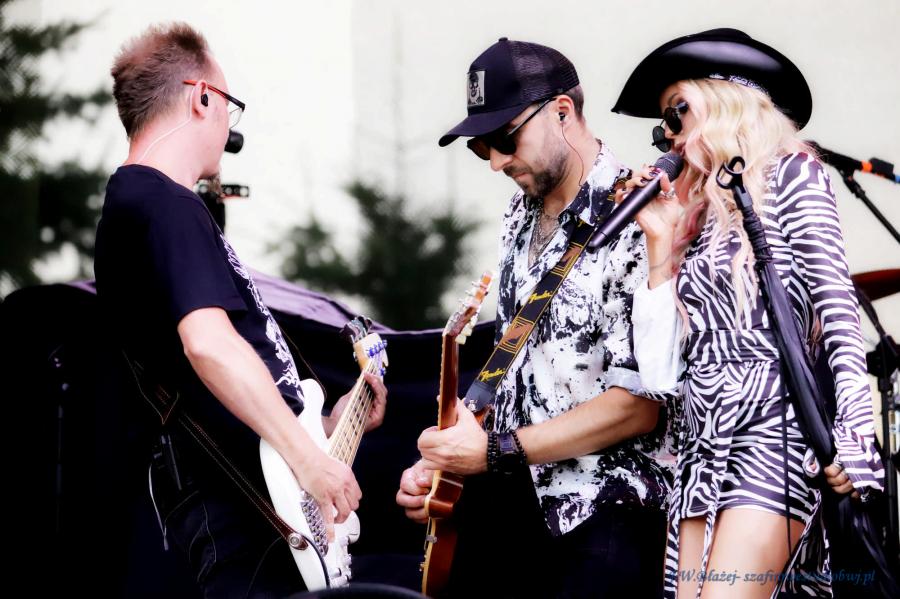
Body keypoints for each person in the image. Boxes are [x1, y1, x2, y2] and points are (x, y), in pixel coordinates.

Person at [94, 23, 386, 597]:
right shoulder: (164, 202)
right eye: (229, 107)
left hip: (247, 494)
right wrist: (309, 461)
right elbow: (209, 344)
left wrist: (326, 430)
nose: (229, 127)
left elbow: (206, 374)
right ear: (202, 97)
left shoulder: (139, 205)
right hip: (239, 506)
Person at [395, 38, 673, 598]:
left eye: (504, 139)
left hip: (604, 515)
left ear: (562, 112)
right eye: (481, 148)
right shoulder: (519, 214)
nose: (496, 161)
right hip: (511, 505)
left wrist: (494, 452)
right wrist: (447, 461)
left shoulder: (641, 215)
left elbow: (639, 404)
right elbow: (519, 372)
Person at [614, 28, 885, 598]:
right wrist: (660, 245)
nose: (668, 134)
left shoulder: (794, 174)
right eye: (662, 124)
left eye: (677, 111)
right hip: (699, 439)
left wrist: (856, 435)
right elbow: (660, 377)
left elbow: (838, 307)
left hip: (772, 426)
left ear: (727, 101)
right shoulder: (694, 216)